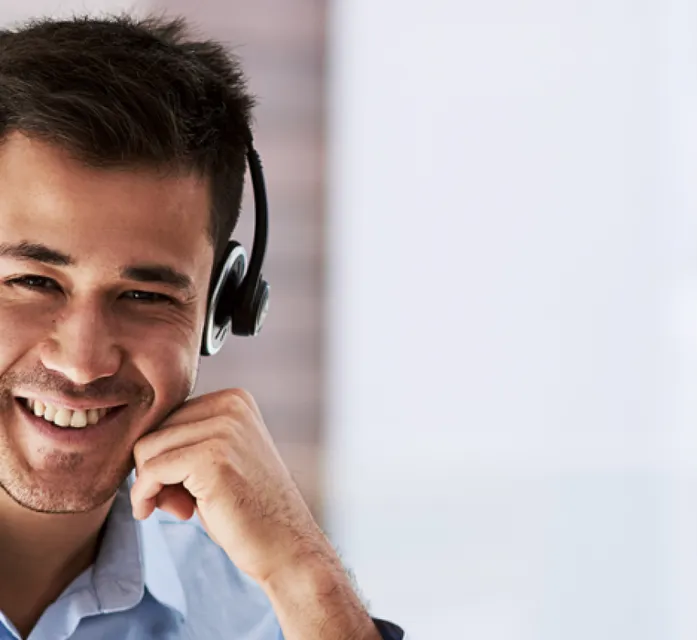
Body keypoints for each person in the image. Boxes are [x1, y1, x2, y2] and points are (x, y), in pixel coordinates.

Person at [0, 14, 403, 640]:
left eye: (144, 295)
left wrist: (306, 578)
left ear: (220, 310)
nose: (82, 361)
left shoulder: (279, 606)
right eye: (33, 282)